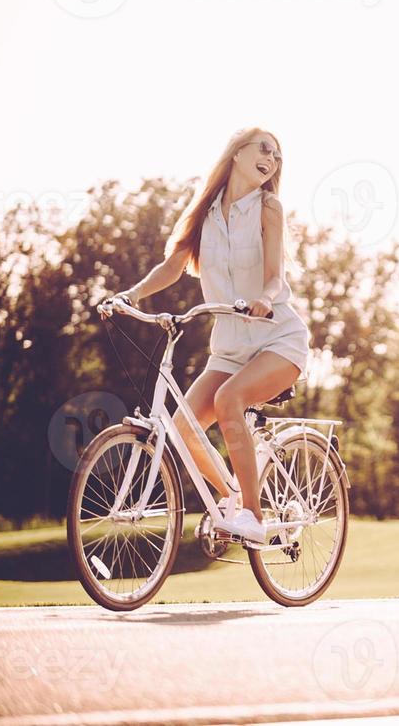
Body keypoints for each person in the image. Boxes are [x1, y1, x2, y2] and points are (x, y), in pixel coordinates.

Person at [114, 128, 311, 544]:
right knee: (183, 429)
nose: (271, 159)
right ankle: (234, 497)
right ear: (237, 152)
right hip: (229, 349)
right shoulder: (206, 213)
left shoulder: (268, 208)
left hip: (278, 339)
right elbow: (173, 266)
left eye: (277, 156)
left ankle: (253, 518)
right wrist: (130, 295)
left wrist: (264, 298)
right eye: (264, 149)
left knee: (228, 401)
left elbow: (276, 277)